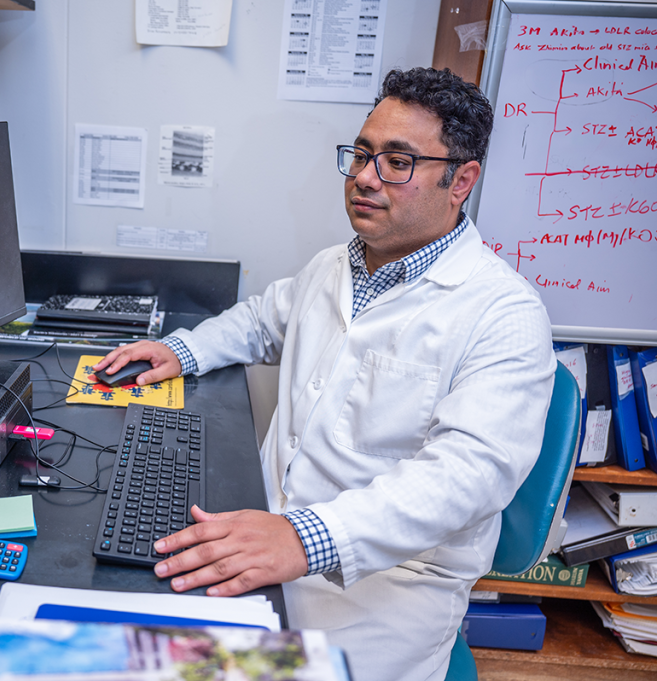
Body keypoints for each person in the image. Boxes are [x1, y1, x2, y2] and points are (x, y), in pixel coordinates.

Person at [94, 67, 556, 681]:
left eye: (398, 161)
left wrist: (303, 538)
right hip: (265, 530)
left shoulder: (504, 314)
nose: (365, 177)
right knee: (119, 637)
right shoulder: (337, 266)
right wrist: (184, 350)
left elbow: (468, 476)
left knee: (166, 666)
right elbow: (263, 320)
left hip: (381, 590)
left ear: (461, 180)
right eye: (362, 154)